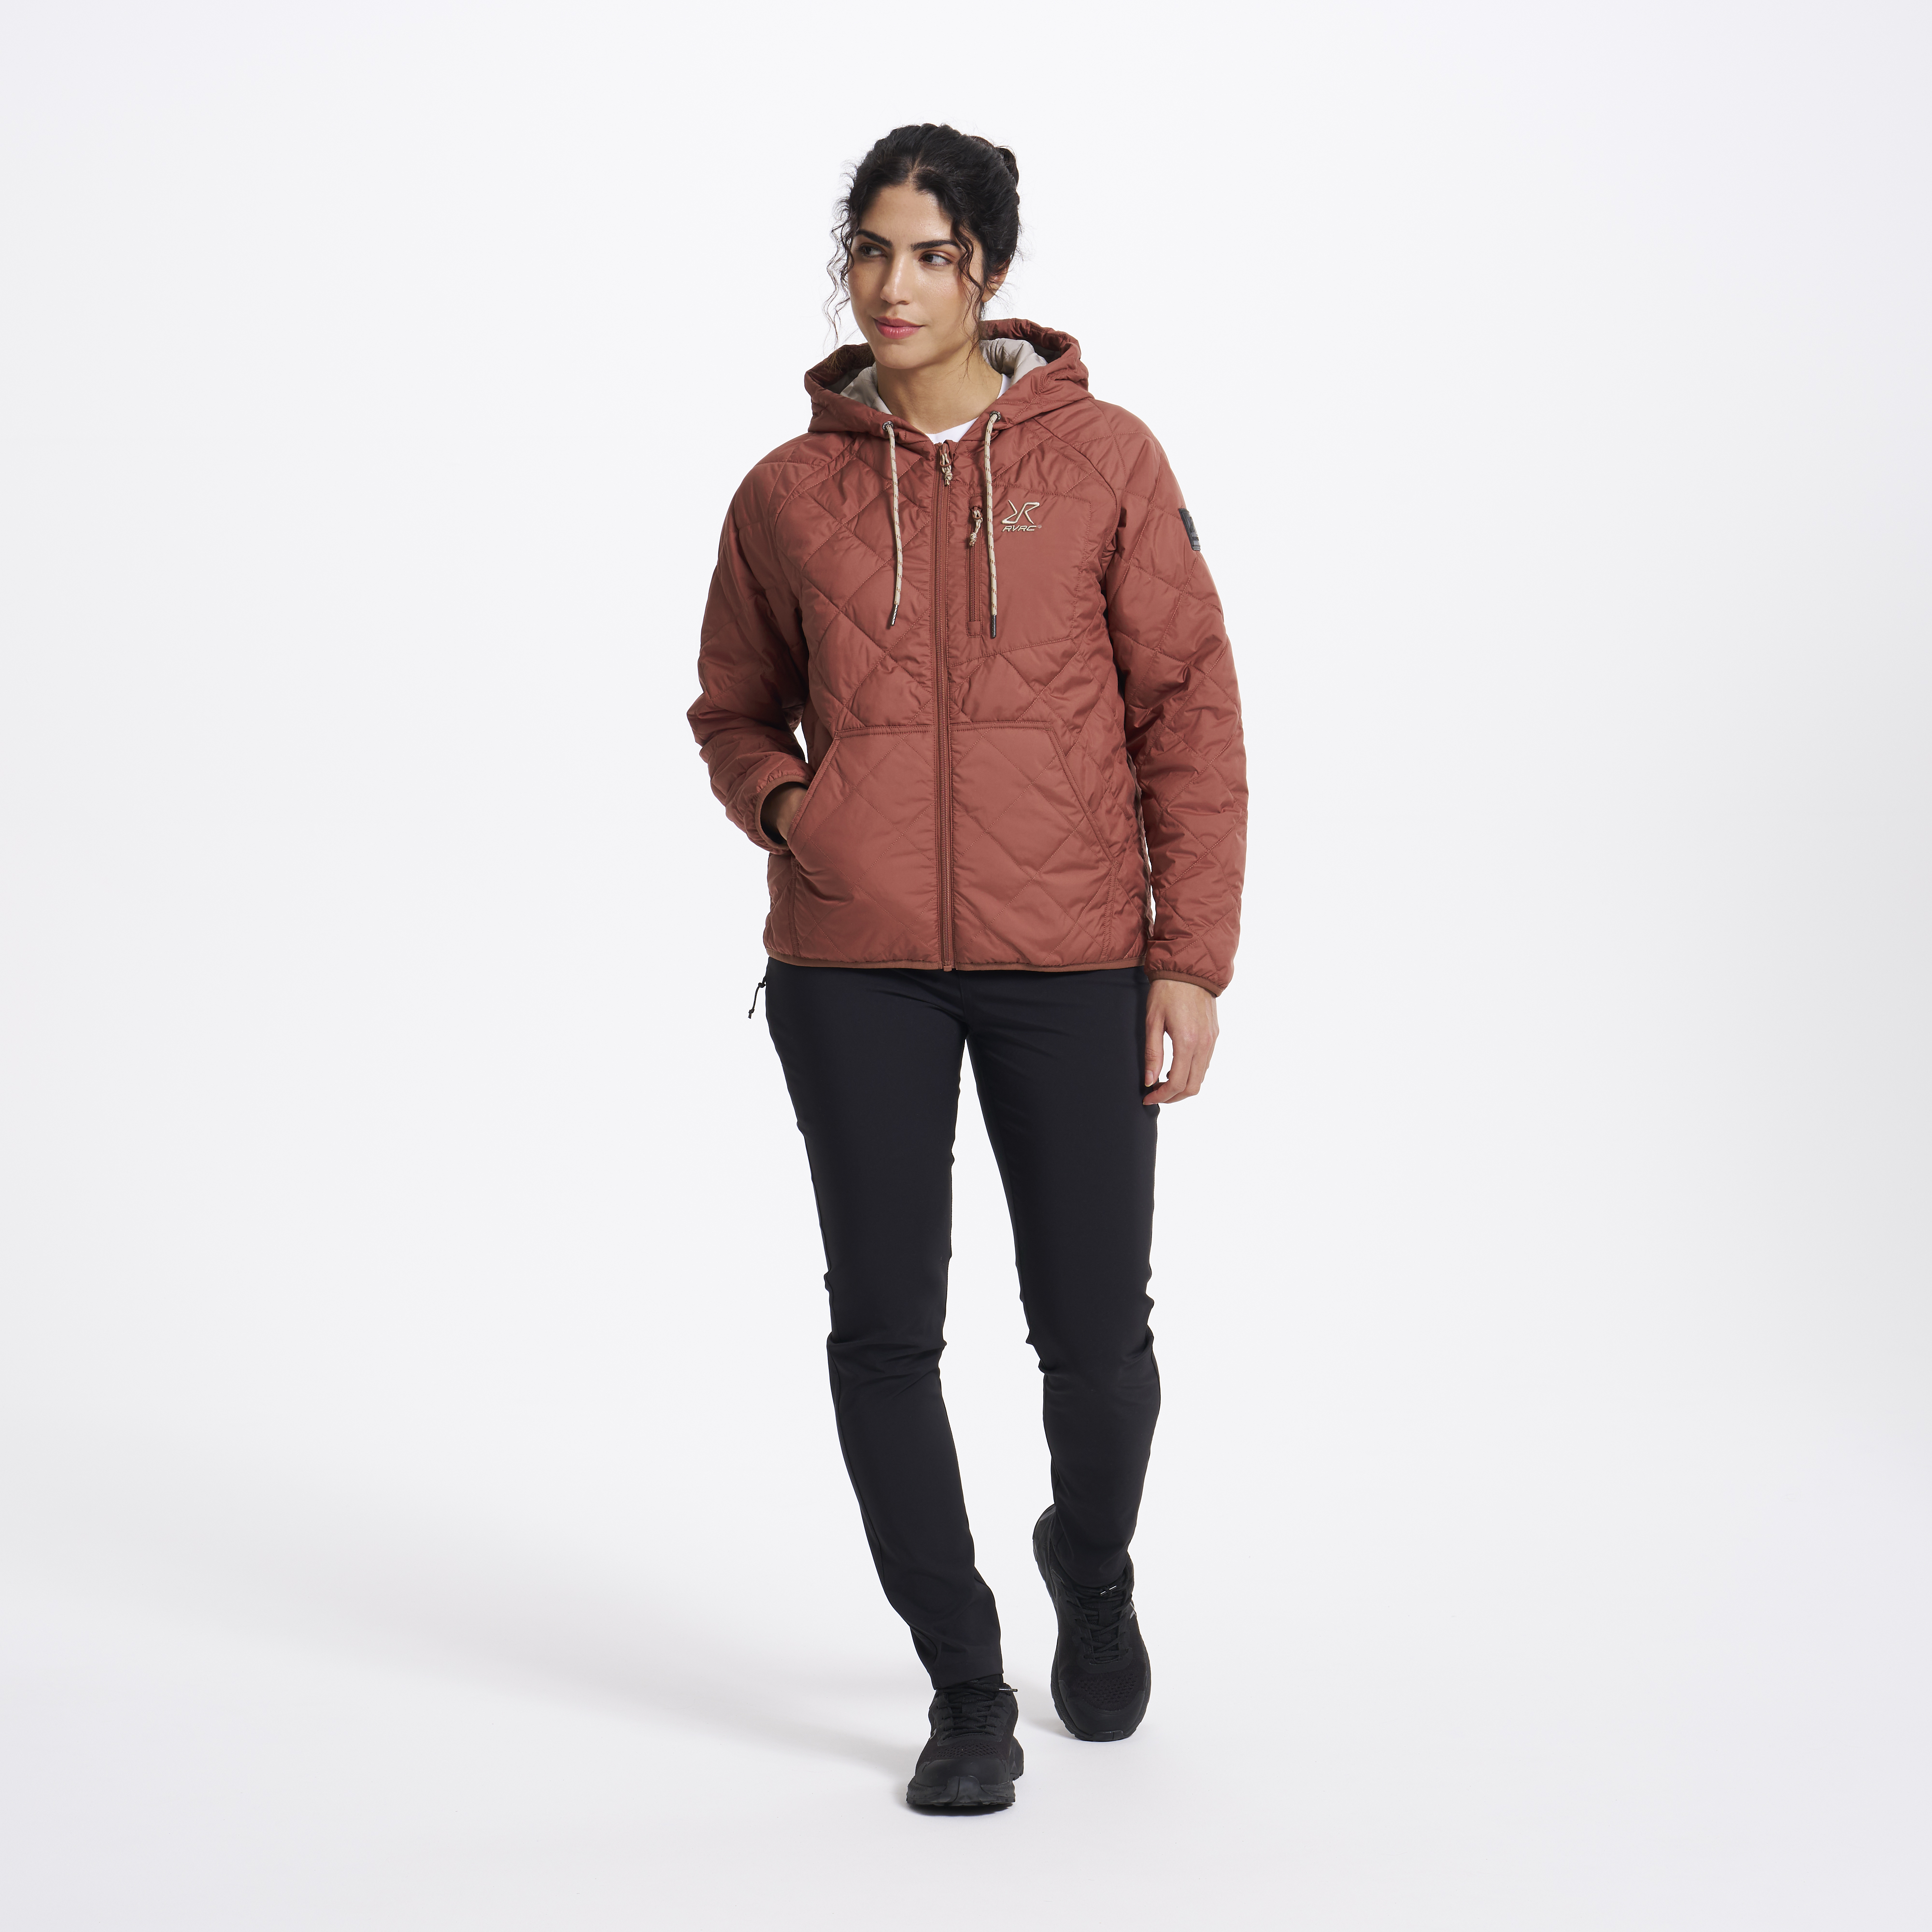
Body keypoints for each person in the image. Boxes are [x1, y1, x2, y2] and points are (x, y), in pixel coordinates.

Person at [688, 123, 1247, 1812]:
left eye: (929, 254)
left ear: (987, 271)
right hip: (853, 965)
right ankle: (964, 1686)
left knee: (1096, 1339)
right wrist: (794, 810)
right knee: (884, 1332)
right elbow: (731, 707)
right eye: (869, 250)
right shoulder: (788, 492)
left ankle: (1092, 1560)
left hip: (1072, 956)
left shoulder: (1107, 461)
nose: (893, 284)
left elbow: (1190, 711)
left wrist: (1190, 956)